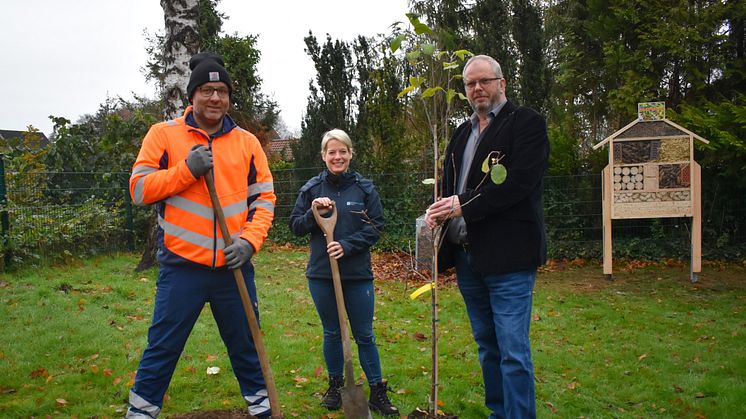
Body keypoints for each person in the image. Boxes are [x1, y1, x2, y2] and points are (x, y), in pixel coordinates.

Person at [126, 52, 276, 418]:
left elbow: (265, 199)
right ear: (191, 95)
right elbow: (140, 190)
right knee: (162, 346)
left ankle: (263, 411)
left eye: (222, 91)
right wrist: (186, 170)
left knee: (247, 346)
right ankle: (140, 412)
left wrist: (249, 242)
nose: (215, 98)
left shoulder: (247, 143)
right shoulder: (163, 136)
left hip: (233, 268)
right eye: (207, 89)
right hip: (182, 268)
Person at [425, 55, 549, 418]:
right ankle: (499, 412)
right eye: (470, 83)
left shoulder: (526, 124)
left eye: (485, 81)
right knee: (487, 346)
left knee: (513, 351)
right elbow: (449, 186)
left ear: (502, 83)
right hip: (468, 257)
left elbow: (519, 183)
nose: (477, 88)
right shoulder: (461, 134)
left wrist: (461, 204)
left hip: (509, 257)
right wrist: (437, 213)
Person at [288, 129, 398, 416]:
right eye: (331, 152)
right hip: (322, 274)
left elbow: (375, 226)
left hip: (358, 274)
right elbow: (295, 225)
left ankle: (376, 391)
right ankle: (337, 388)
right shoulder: (312, 189)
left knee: (364, 334)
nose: (337, 156)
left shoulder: (364, 189)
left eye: (342, 151)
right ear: (324, 156)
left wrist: (346, 246)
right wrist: (314, 214)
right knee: (332, 332)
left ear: (350, 154)